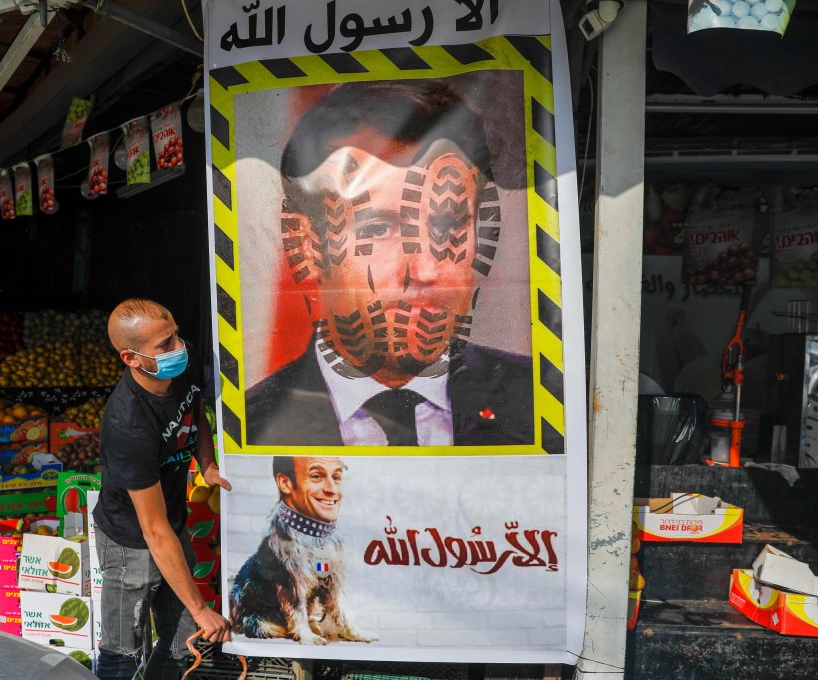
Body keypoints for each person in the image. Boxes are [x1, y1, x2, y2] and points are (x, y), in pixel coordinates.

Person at [246, 79, 533, 447]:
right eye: (379, 229)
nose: (427, 271)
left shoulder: (539, 399)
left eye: (449, 227)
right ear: (306, 245)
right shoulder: (251, 427)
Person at [93, 299, 232, 680]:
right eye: (164, 345)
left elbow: (196, 410)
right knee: (123, 648)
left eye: (175, 336)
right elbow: (153, 530)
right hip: (129, 541)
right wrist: (203, 608)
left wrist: (207, 464)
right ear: (132, 358)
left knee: (184, 637)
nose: (178, 348)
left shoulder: (183, 363)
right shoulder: (129, 425)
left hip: (172, 525)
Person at [229, 456, 371, 645]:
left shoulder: (331, 537)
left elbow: (334, 589)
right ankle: (301, 627)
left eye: (336, 477)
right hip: (261, 618)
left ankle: (346, 626)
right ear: (285, 483)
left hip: (300, 614)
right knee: (286, 596)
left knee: (335, 583)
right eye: (316, 476)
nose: (332, 489)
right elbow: (290, 592)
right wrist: (301, 629)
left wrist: (350, 627)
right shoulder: (280, 538)